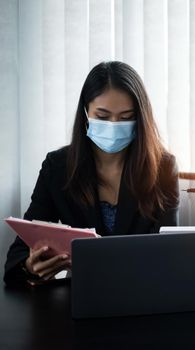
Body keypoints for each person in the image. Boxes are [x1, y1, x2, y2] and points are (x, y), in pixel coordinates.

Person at [4, 61, 179, 286]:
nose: (114, 125)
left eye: (126, 117)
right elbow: (17, 255)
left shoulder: (163, 168)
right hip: (81, 293)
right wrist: (29, 266)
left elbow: (170, 251)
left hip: (143, 291)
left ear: (140, 119)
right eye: (103, 116)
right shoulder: (57, 168)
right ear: (86, 113)